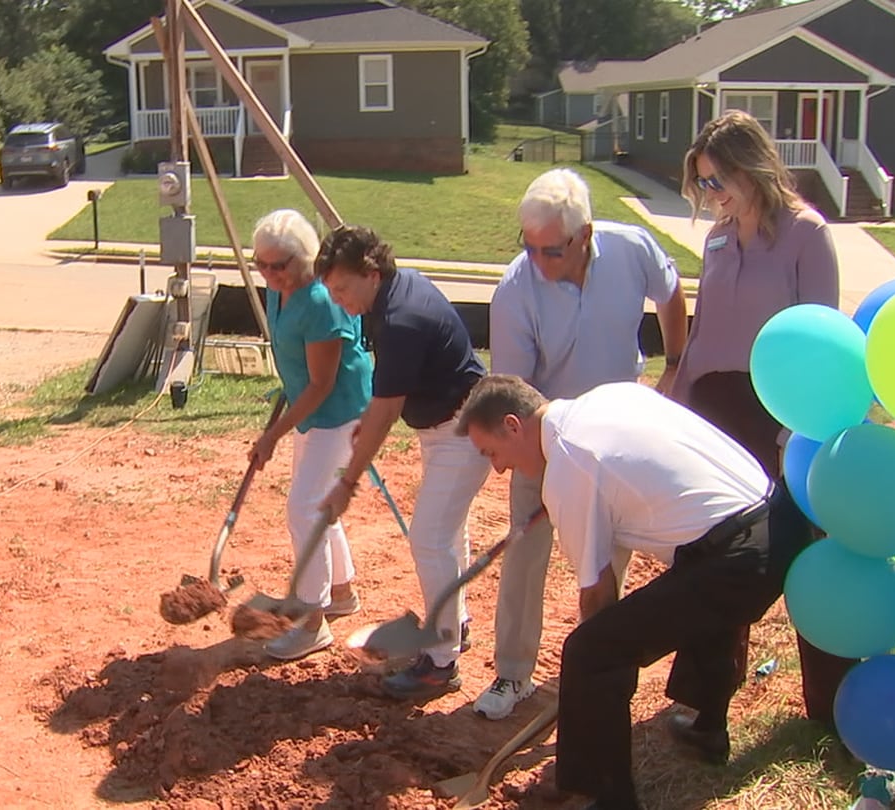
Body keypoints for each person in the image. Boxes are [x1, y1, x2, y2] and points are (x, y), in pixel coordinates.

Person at [457, 375, 805, 810]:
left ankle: (608, 796)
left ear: (513, 425)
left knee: (592, 651)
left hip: (738, 559)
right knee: (698, 592)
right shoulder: (608, 396)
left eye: (492, 453)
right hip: (780, 522)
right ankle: (708, 729)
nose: (499, 469)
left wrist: (594, 671)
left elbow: (598, 594)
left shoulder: (569, 463)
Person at [477, 167, 688, 721]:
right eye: (529, 247)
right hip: (544, 439)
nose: (538, 262)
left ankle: (603, 671)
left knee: (608, 557)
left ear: (585, 235)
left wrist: (675, 367)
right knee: (526, 550)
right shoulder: (515, 290)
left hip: (618, 439)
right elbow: (516, 400)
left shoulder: (632, 248)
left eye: (550, 251)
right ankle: (513, 674)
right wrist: (547, 475)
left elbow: (670, 294)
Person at [673, 109, 852, 728]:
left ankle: (829, 708)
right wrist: (680, 401)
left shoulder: (808, 234)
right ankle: (706, 702)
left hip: (782, 420)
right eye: (702, 185)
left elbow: (824, 343)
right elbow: (703, 333)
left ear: (751, 168)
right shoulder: (718, 238)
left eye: (717, 181)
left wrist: (790, 433)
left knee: (800, 558)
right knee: (709, 552)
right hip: (716, 417)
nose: (710, 196)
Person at [316, 224, 491, 700]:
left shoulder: (399, 317)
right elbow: (387, 399)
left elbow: (388, 408)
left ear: (370, 272)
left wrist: (346, 483)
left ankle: (439, 663)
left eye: (343, 289)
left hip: (462, 429)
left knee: (431, 538)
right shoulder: (396, 289)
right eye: (331, 291)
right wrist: (371, 419)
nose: (339, 300)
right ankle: (456, 626)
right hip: (451, 424)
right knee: (447, 535)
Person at [247, 210, 373, 661]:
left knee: (305, 511)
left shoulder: (321, 300)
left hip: (338, 415)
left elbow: (322, 384)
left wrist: (272, 436)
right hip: (311, 412)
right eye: (261, 264)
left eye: (280, 265)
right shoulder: (280, 289)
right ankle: (341, 592)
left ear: (307, 256)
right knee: (318, 506)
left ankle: (311, 621)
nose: (270, 273)